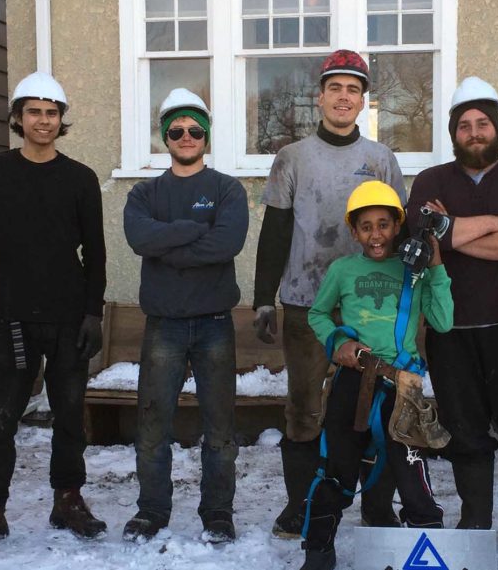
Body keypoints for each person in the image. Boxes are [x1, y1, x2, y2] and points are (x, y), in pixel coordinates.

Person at [0, 71, 107, 556]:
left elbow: (95, 252)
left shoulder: (80, 179)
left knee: (70, 415)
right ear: (18, 118)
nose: (43, 121)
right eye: (34, 112)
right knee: (1, 417)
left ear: (61, 121)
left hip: (69, 316)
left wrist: (93, 313)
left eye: (52, 113)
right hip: (12, 314)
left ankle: (68, 499)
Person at [252, 49, 406, 537]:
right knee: (305, 409)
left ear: (364, 101)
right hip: (305, 305)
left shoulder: (381, 160)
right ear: (319, 97)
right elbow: (274, 232)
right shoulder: (291, 158)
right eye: (335, 88)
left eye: (353, 89)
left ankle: (376, 508)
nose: (344, 97)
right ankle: (300, 505)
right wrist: (262, 296)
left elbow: (398, 236)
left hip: (372, 306)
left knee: (372, 409)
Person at [406, 75, 498, 550]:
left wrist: (452, 230)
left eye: (483, 124)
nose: (474, 133)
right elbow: (425, 239)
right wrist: (491, 222)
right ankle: (474, 519)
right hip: (449, 328)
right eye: (465, 125)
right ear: (454, 133)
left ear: (497, 129)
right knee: (465, 432)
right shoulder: (430, 181)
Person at [300, 181, 452, 570]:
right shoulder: (343, 270)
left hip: (401, 387)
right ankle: (318, 550)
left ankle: (428, 549)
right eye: (365, 226)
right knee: (337, 469)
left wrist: (435, 268)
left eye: (384, 225)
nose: (375, 235)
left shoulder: (413, 272)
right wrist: (338, 342)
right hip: (354, 383)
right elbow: (317, 314)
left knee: (411, 471)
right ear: (354, 231)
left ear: (397, 226)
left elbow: (443, 321)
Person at [121, 88, 248, 543]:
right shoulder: (144, 193)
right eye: (176, 130)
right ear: (164, 137)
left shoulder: (226, 189)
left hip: (215, 323)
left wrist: (168, 245)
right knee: (153, 427)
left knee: (220, 429)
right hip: (164, 326)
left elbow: (227, 244)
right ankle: (151, 510)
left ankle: (218, 512)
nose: (186, 136)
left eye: (195, 129)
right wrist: (193, 232)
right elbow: (139, 238)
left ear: (207, 134)